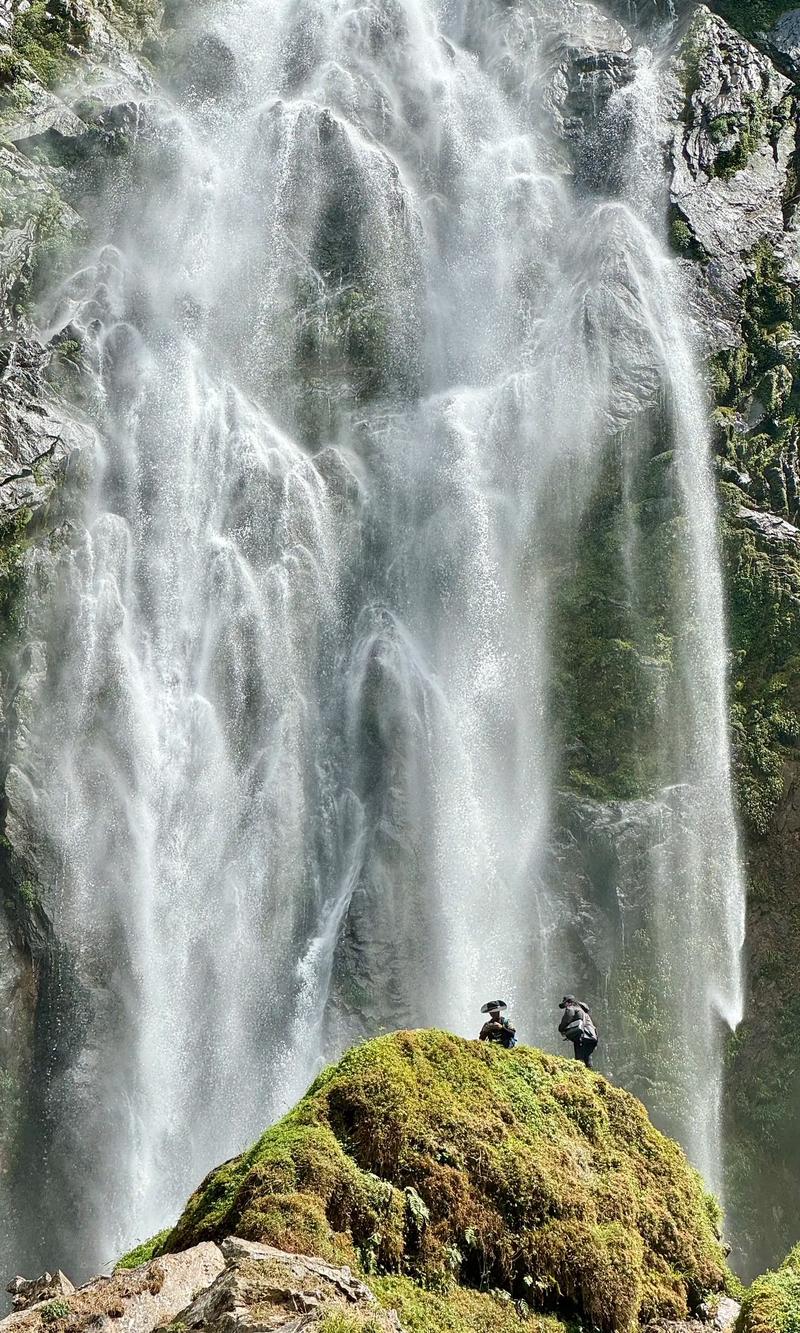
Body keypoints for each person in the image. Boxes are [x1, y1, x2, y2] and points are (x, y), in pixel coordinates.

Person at [558, 995, 598, 1068]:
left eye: (565, 1004)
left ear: (569, 1002)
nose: (565, 1007)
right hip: (592, 1036)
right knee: (587, 1057)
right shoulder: (583, 1011)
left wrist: (561, 1029)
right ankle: (590, 1073)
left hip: (582, 1036)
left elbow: (567, 1019)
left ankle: (580, 1074)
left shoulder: (571, 1008)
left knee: (579, 1057)